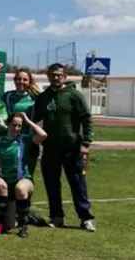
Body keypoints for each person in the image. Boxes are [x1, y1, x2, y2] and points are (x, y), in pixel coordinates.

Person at [33, 63, 96, 232]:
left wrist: (86, 142)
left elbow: (87, 118)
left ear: (65, 77)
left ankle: (85, 218)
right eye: (52, 75)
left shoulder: (74, 95)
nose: (55, 78)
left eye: (58, 75)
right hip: (50, 149)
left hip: (72, 148)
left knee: (77, 184)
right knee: (52, 184)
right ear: (48, 76)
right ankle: (56, 216)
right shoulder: (43, 97)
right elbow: (35, 117)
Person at [0, 113, 48, 238]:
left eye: (19, 126)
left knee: (20, 189)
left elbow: (43, 135)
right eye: (14, 125)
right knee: (9, 225)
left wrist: (27, 120)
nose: (16, 128)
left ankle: (23, 226)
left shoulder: (24, 139)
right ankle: (1, 220)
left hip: (22, 180)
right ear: (8, 124)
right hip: (6, 183)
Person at [5, 69, 40, 173]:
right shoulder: (7, 96)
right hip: (10, 141)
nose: (21, 82)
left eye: (25, 79)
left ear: (29, 82)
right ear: (14, 80)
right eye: (19, 79)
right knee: (10, 172)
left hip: (29, 141)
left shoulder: (35, 97)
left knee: (27, 173)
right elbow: (0, 115)